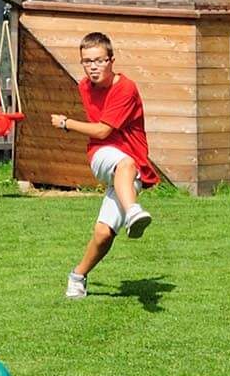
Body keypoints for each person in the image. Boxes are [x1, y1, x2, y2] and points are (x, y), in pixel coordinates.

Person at [50, 32, 158, 300]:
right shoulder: (85, 87)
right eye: (87, 62)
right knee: (125, 162)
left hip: (132, 165)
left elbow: (102, 129)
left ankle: (77, 276)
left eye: (98, 60)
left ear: (111, 60)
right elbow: (100, 138)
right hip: (102, 156)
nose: (92, 67)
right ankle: (133, 211)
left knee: (103, 234)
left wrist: (66, 123)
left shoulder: (126, 88)